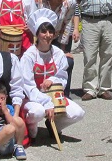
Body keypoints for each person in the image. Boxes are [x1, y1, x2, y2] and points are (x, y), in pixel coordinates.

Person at [21, 9, 85, 138]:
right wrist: (45, 102)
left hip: (53, 95)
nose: (47, 35)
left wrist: (53, 80)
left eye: (50, 31)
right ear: (37, 34)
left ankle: (54, 125)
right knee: (37, 112)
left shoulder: (58, 53)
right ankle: (30, 128)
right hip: (32, 97)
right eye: (43, 31)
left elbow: (62, 77)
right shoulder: (29, 56)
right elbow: (27, 85)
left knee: (78, 113)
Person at [35, 0, 78, 97]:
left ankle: (64, 96)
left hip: (59, 36)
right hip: (41, 37)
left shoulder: (70, 1)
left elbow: (67, 24)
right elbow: (36, 24)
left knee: (66, 62)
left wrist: (63, 50)